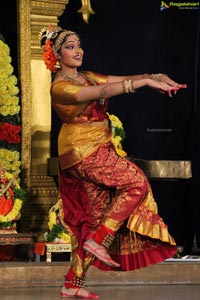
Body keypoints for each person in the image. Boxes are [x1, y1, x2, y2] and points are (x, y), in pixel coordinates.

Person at [40, 26, 187, 299]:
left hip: (95, 147)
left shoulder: (85, 76)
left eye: (79, 44)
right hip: (83, 151)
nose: (78, 49)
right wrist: (143, 84)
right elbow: (105, 91)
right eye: (70, 46)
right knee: (135, 182)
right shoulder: (60, 88)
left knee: (92, 218)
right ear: (57, 54)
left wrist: (154, 76)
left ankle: (73, 283)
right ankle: (100, 240)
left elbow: (121, 79)